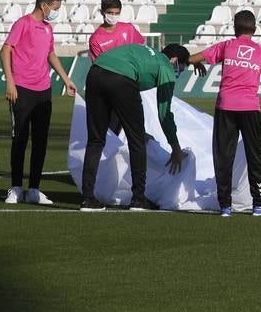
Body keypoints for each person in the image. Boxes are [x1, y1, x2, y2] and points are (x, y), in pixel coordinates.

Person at [189, 10, 261, 217]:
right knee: (255, 156)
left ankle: (225, 206)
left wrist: (196, 62)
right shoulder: (260, 52)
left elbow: (192, 58)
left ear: (235, 28)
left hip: (225, 107)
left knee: (224, 156)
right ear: (254, 29)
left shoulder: (226, 46)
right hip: (250, 108)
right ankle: (259, 204)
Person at [79, 42, 191, 212]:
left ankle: (87, 199)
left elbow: (120, 105)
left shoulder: (147, 55)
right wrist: (175, 148)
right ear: (174, 60)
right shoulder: (166, 66)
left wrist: (136, 128)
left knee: (95, 140)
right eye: (180, 69)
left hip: (95, 72)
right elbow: (164, 114)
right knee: (137, 142)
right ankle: (138, 199)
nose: (178, 74)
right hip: (122, 78)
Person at [1, 0, 78, 206]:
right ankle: (16, 188)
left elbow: (50, 54)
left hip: (44, 91)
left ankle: (34, 189)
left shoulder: (47, 28)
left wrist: (65, 79)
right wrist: (10, 81)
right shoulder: (23, 23)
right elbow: (5, 50)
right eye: (54, 8)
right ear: (43, 5)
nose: (55, 12)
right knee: (20, 139)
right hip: (22, 89)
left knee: (41, 141)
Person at [87, 0, 147, 137]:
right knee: (110, 132)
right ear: (102, 12)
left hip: (131, 86)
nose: (114, 16)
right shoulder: (96, 38)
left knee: (137, 132)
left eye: (117, 13)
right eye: (110, 13)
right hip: (110, 89)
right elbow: (99, 67)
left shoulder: (129, 29)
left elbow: (141, 48)